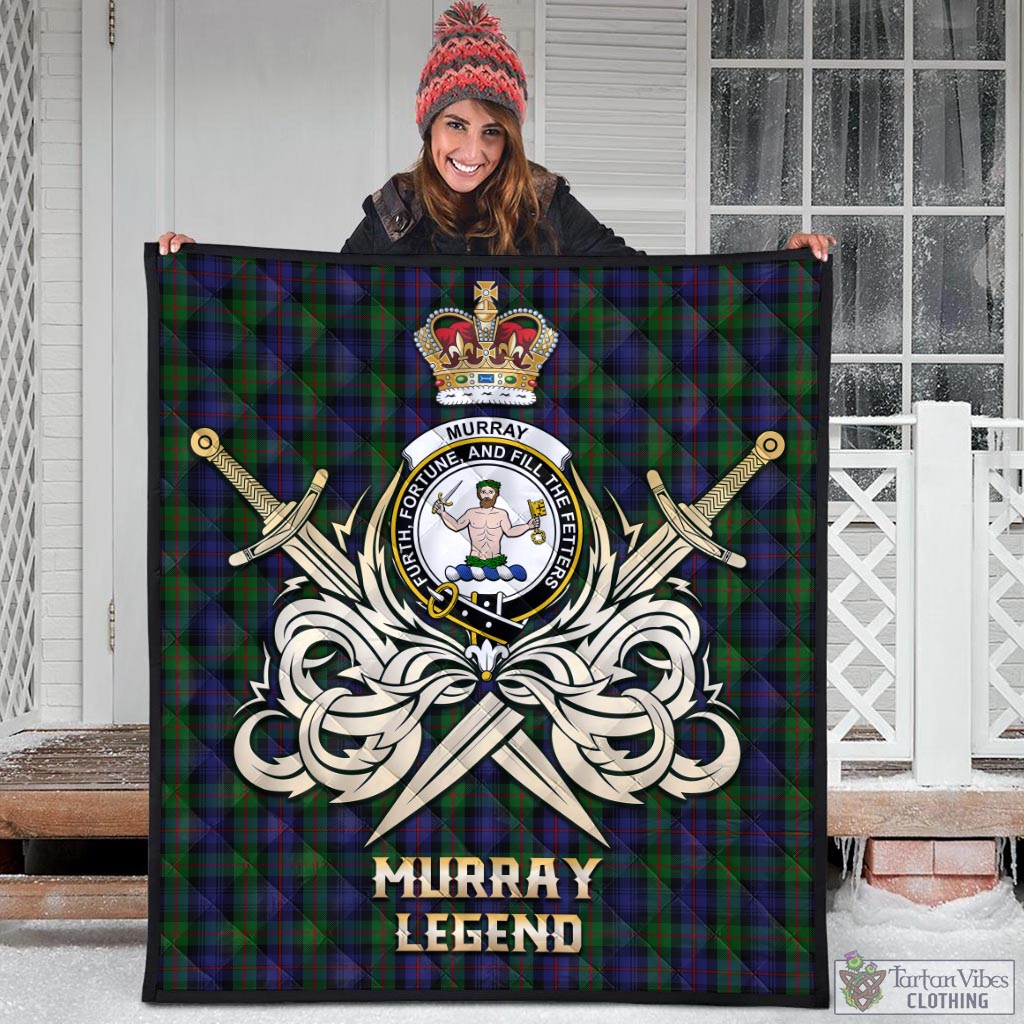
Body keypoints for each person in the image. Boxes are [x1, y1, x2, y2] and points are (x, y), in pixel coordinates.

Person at [159, 1, 834, 261]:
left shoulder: (545, 202)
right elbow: (319, 310)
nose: (472, 151)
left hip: (536, 440)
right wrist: (198, 270)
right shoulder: (395, 210)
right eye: (456, 125)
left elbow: (653, 289)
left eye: (492, 132)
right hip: (419, 444)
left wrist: (781, 267)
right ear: (429, 126)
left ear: (511, 137)